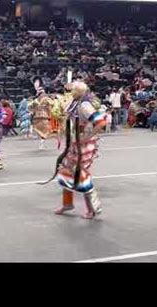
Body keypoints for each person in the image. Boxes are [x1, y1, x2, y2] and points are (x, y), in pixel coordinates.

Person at [46, 81, 106, 220]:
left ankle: (92, 209)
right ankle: (67, 203)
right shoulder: (74, 102)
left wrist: (87, 137)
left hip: (83, 144)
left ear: (79, 92)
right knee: (66, 170)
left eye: (73, 89)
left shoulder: (84, 105)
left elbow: (101, 122)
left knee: (81, 174)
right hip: (74, 142)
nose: (70, 91)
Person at [28, 77, 56, 150]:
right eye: (41, 94)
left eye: (43, 93)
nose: (43, 95)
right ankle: (40, 140)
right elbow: (30, 107)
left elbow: (52, 105)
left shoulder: (47, 100)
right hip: (37, 118)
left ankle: (42, 142)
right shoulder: (35, 101)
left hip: (45, 117)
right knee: (38, 129)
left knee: (45, 130)